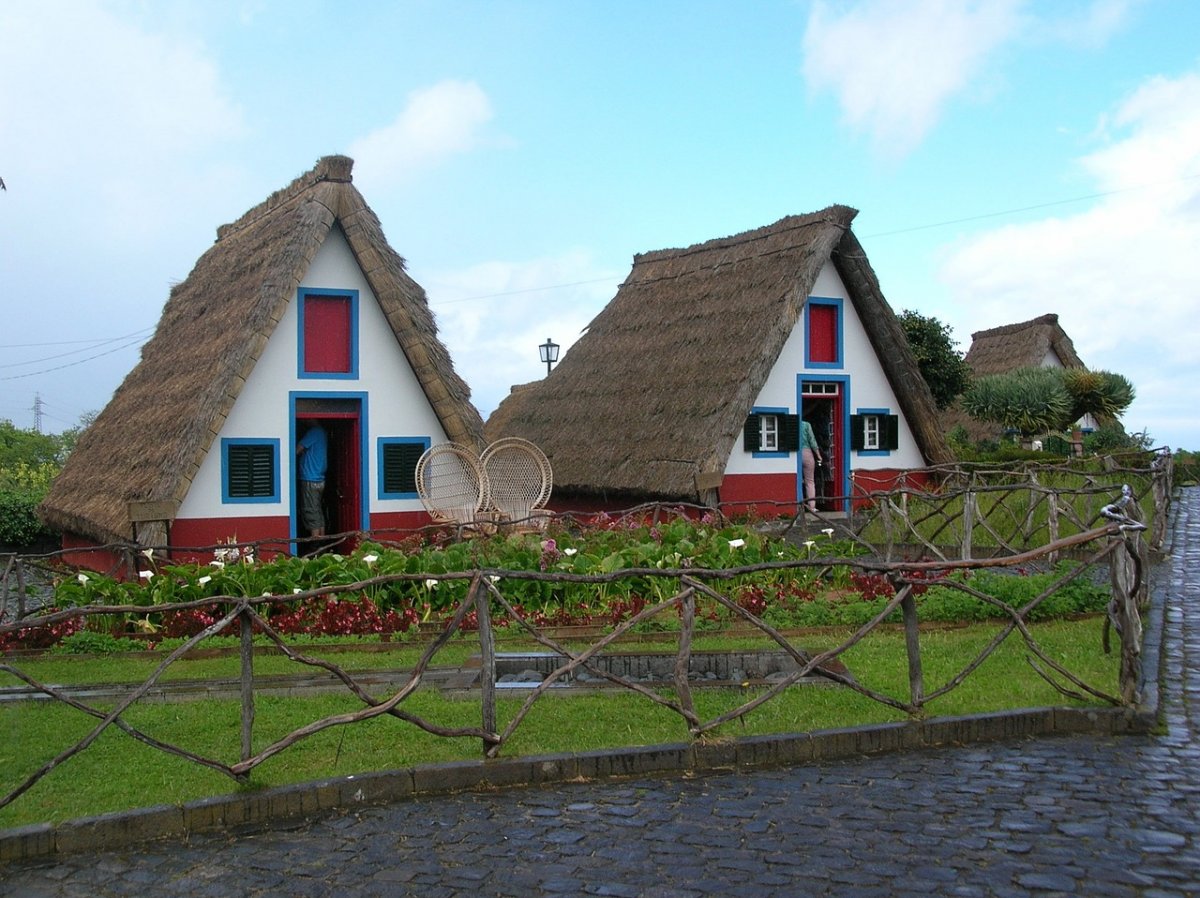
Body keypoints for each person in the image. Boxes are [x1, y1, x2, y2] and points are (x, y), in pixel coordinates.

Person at [296, 422, 328, 538]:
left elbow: (297, 449)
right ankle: (322, 542)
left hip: (310, 478)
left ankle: (315, 544)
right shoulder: (322, 432)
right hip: (319, 479)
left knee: (310, 512)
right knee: (317, 511)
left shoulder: (314, 432)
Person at [800, 419, 823, 513]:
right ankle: (812, 507)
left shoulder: (793, 424)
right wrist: (818, 455)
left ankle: (799, 506)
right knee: (809, 481)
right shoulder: (806, 425)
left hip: (794, 453)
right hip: (807, 453)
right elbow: (812, 440)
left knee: (796, 479)